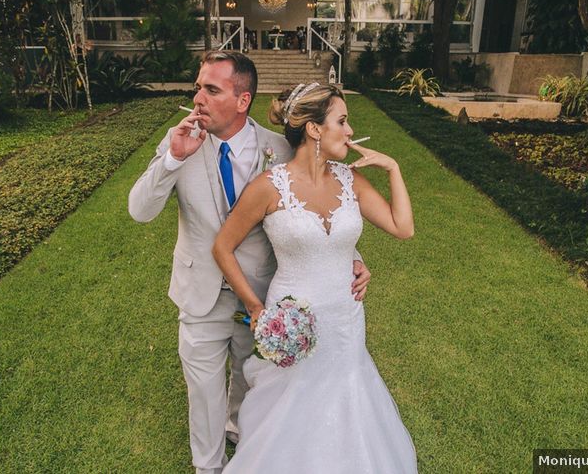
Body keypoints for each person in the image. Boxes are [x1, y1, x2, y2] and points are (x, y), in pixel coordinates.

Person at [128, 53, 371, 474]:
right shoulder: (179, 141)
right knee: (203, 389)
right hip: (200, 291)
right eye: (198, 86)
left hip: (261, 291)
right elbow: (140, 211)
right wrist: (173, 158)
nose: (197, 97)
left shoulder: (278, 149)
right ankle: (208, 467)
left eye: (211, 89)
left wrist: (351, 256)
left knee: (250, 377)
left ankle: (245, 439)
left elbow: (316, 207)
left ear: (242, 101)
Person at [212, 83, 417, 473]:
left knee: (346, 396)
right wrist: (255, 307)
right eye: (342, 121)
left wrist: (392, 167)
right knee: (293, 405)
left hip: (345, 319)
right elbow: (223, 247)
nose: (351, 130)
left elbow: (401, 227)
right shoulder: (269, 187)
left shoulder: (350, 181)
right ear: (314, 129)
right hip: (294, 319)